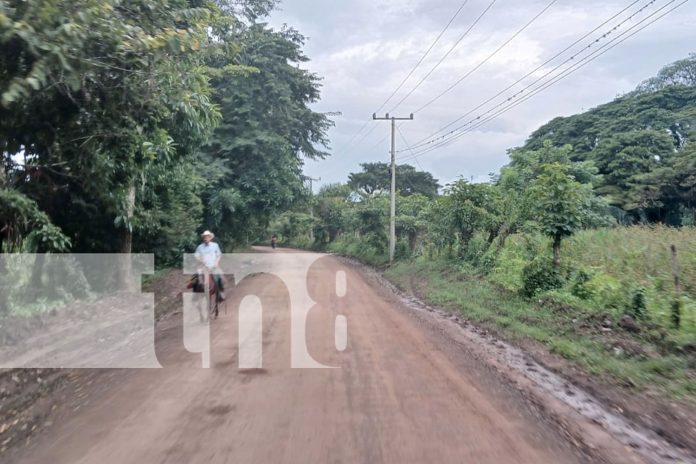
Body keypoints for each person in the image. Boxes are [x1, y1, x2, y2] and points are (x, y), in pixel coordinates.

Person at [195, 230, 225, 301]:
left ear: (210, 238)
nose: (206, 238)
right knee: (197, 276)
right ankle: (196, 294)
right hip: (203, 266)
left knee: (219, 277)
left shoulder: (215, 245)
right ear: (203, 238)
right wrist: (200, 260)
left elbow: (219, 255)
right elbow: (196, 255)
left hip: (213, 265)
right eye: (205, 237)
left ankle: (221, 292)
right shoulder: (200, 247)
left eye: (208, 237)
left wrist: (216, 262)